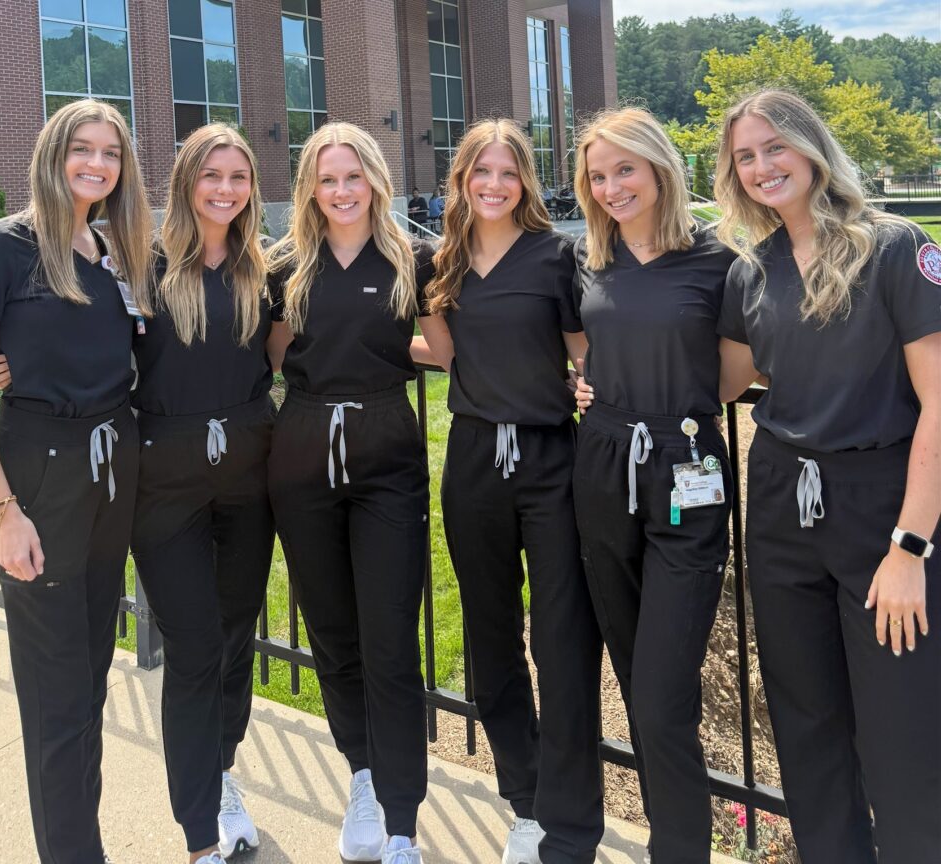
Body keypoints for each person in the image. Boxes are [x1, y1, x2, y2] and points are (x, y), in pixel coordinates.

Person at [714, 89, 940, 863]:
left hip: (880, 508)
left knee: (901, 730)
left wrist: (909, 547)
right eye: (745, 157)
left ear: (812, 148)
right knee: (805, 722)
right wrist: (596, 374)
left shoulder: (895, 247)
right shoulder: (754, 269)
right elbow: (723, 380)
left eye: (774, 147)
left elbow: (940, 401)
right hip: (780, 503)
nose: (761, 167)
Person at [0, 99, 153, 864]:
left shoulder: (112, 251)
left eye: (111, 153)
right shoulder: (0, 247)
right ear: (52, 154)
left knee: (88, 686)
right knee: (58, 701)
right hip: (43, 477)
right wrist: (4, 513)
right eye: (82, 150)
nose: (97, 164)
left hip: (111, 479)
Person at [265, 122, 447, 864]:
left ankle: (402, 820)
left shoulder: (415, 259)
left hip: (386, 454)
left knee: (390, 642)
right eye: (326, 178)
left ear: (375, 179)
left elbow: (441, 350)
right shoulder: (286, 266)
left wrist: (380, 352)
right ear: (311, 187)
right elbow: (277, 357)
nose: (341, 191)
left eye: (353, 176)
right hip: (303, 452)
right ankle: (364, 777)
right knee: (335, 636)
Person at [423, 118, 603, 864]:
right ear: (462, 180)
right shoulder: (445, 262)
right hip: (471, 463)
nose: (493, 185)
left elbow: (585, 354)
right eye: (479, 173)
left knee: (562, 639)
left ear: (525, 181)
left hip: (548, 460)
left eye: (508, 172)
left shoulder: (556, 256)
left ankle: (569, 810)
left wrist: (592, 384)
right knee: (491, 634)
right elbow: (441, 352)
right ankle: (523, 800)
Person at [570, 107, 737, 864]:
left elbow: (736, 377)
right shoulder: (592, 257)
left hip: (688, 470)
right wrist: (583, 384)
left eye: (624, 170)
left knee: (666, 693)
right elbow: (587, 344)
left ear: (659, 167)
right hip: (602, 464)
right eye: (598, 176)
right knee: (638, 678)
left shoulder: (719, 261)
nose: (611, 188)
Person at [129, 123, 276, 864]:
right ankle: (198, 839)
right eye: (211, 175)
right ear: (186, 180)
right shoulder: (143, 268)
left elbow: (303, 353)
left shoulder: (261, 270)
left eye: (238, 177)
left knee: (234, 637)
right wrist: (7, 363)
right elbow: (86, 345)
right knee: (191, 649)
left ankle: (219, 773)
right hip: (167, 484)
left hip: (249, 477)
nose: (225, 189)